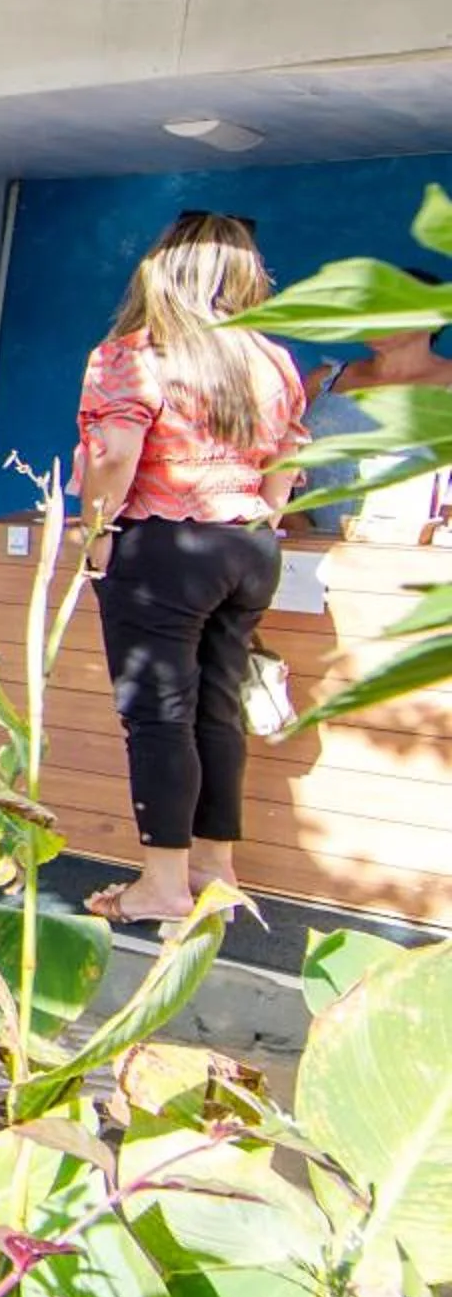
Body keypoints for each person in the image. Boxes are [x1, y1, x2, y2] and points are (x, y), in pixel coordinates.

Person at [73, 211, 306, 925]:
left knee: (157, 716)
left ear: (158, 272)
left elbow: (114, 455)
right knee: (217, 709)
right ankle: (214, 869)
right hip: (246, 548)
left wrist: (95, 533)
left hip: (165, 549)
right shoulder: (268, 357)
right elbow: (291, 454)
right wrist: (262, 510)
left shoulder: (133, 354)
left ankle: (163, 887)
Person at [294, 275, 452, 539]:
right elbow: (275, 454)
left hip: (408, 553)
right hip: (307, 547)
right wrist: (293, 520)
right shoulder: (323, 380)